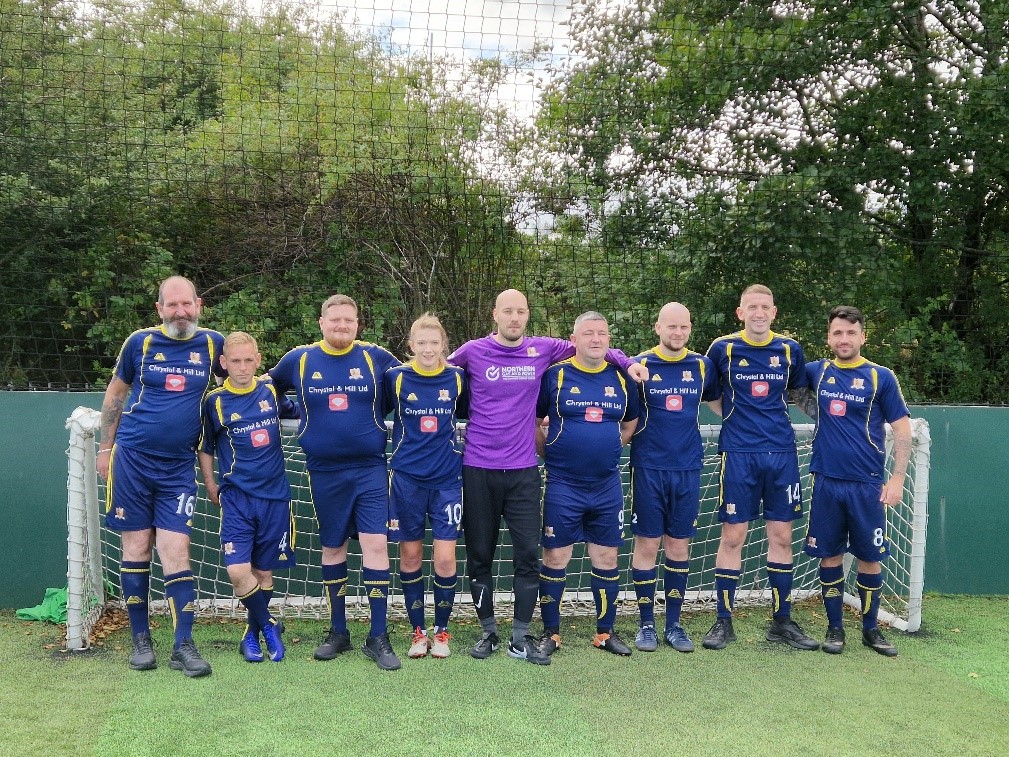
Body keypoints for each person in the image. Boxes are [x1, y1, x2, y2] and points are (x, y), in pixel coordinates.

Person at [447, 289, 647, 664]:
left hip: (524, 471)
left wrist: (628, 361)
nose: (514, 318)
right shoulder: (471, 351)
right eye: (507, 311)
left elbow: (594, 345)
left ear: (527, 315)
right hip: (477, 468)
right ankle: (488, 632)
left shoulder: (544, 349)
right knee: (479, 556)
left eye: (520, 311)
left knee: (527, 555)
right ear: (495, 314)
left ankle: (522, 636)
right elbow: (436, 370)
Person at [97, 275, 226, 677]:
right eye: (172, 305)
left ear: (199, 305)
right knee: (136, 546)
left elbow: (234, 389)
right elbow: (116, 394)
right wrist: (105, 449)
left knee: (176, 550)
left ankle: (183, 645)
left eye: (186, 304)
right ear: (160, 309)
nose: (180, 312)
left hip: (177, 467)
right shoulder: (140, 342)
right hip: (132, 460)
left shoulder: (213, 344)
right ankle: (140, 640)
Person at [268, 294, 402, 670]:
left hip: (371, 468)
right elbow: (270, 388)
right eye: (335, 320)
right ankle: (338, 631)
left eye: (349, 320)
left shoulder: (376, 358)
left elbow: (407, 386)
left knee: (377, 545)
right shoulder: (300, 359)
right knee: (333, 548)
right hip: (323, 471)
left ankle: (379, 636)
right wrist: (289, 408)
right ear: (321, 322)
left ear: (358, 324)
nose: (341, 326)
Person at [702, 284, 819, 651]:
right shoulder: (722, 349)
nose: (757, 313)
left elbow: (799, 395)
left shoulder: (789, 349)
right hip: (738, 454)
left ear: (774, 312)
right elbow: (712, 396)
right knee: (733, 537)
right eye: (751, 307)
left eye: (764, 307)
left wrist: (830, 424)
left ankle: (782, 621)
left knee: (781, 537)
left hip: (781, 454)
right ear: (740, 313)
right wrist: (740, 422)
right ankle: (723, 621)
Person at [800, 306, 911, 656]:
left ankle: (870, 629)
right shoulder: (816, 372)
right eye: (837, 333)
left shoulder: (881, 377)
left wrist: (896, 478)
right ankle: (835, 629)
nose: (843, 339)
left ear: (863, 336)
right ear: (829, 337)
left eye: (850, 333)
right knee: (829, 556)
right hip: (827, 482)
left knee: (869, 557)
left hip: (867, 484)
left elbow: (902, 428)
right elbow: (783, 389)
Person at [536, 312, 639, 657]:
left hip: (606, 484)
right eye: (588, 333)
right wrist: (549, 452)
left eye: (602, 334)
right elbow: (536, 422)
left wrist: (606, 449)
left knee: (607, 556)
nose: (596, 339)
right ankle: (551, 634)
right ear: (574, 338)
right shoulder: (554, 376)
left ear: (608, 340)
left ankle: (605, 633)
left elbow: (630, 424)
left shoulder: (622, 378)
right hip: (564, 482)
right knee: (556, 555)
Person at [198, 332, 299, 663]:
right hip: (237, 498)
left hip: (274, 498)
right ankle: (269, 624)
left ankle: (251, 635)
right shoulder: (214, 402)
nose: (242, 367)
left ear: (258, 361)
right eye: (235, 361)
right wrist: (210, 483)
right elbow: (206, 447)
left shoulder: (270, 390)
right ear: (224, 364)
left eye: (248, 360)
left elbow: (297, 409)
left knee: (264, 573)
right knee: (238, 571)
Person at [628, 303, 718, 653]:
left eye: (683, 327)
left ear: (690, 329)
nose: (677, 333)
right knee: (648, 544)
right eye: (671, 327)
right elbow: (626, 414)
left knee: (679, 545)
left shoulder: (702, 365)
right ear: (658, 328)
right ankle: (646, 624)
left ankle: (674, 624)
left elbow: (720, 403)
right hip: (649, 467)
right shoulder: (641, 365)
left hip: (688, 467)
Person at [383, 314, 468, 659]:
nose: (429, 349)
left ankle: (442, 633)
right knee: (411, 554)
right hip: (406, 480)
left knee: (445, 559)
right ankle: (418, 633)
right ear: (411, 345)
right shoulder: (396, 379)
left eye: (435, 343)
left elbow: (474, 412)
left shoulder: (458, 378)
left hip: (448, 479)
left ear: (444, 346)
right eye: (422, 343)